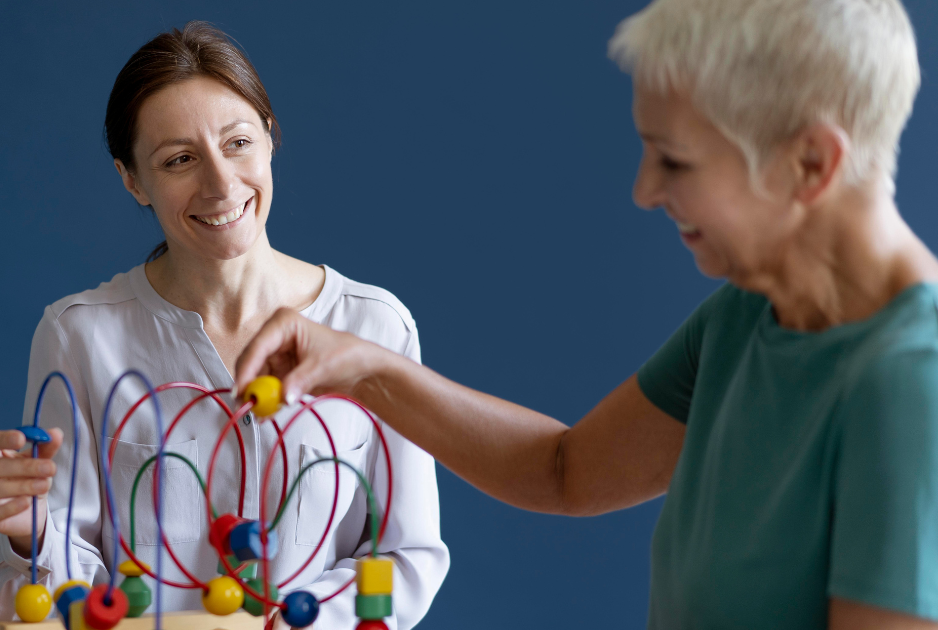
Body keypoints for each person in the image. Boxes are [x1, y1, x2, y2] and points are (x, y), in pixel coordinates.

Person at [234, 1, 938, 628]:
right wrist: (359, 368)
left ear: (811, 162)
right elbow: (564, 470)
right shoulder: (748, 315)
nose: (643, 190)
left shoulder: (911, 386)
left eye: (675, 161)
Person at [0, 22, 448, 628]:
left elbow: (406, 556)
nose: (220, 184)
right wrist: (28, 536)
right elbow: (59, 598)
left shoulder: (374, 328)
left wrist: (291, 623)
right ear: (131, 179)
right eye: (179, 160)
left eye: (238, 142)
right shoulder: (78, 336)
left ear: (270, 139)